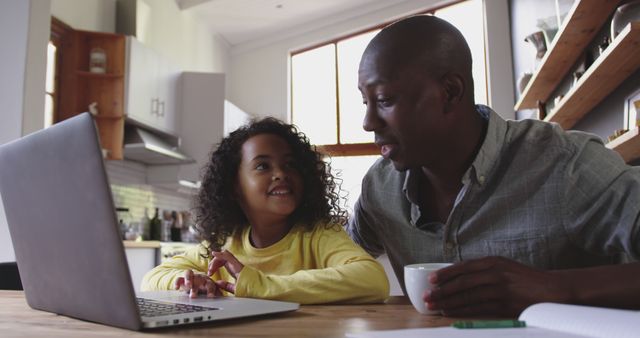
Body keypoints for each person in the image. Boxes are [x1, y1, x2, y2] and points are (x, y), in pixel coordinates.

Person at [348, 14, 640, 317]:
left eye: (384, 100)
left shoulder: (567, 165)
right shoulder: (378, 189)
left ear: (450, 92)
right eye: (365, 103)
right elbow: (334, 257)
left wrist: (555, 287)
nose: (368, 123)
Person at [142, 117, 389, 304]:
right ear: (234, 187)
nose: (281, 173)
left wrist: (261, 285)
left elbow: (373, 280)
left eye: (290, 164)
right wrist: (187, 282)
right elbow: (150, 279)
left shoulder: (318, 235)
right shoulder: (224, 245)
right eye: (262, 166)